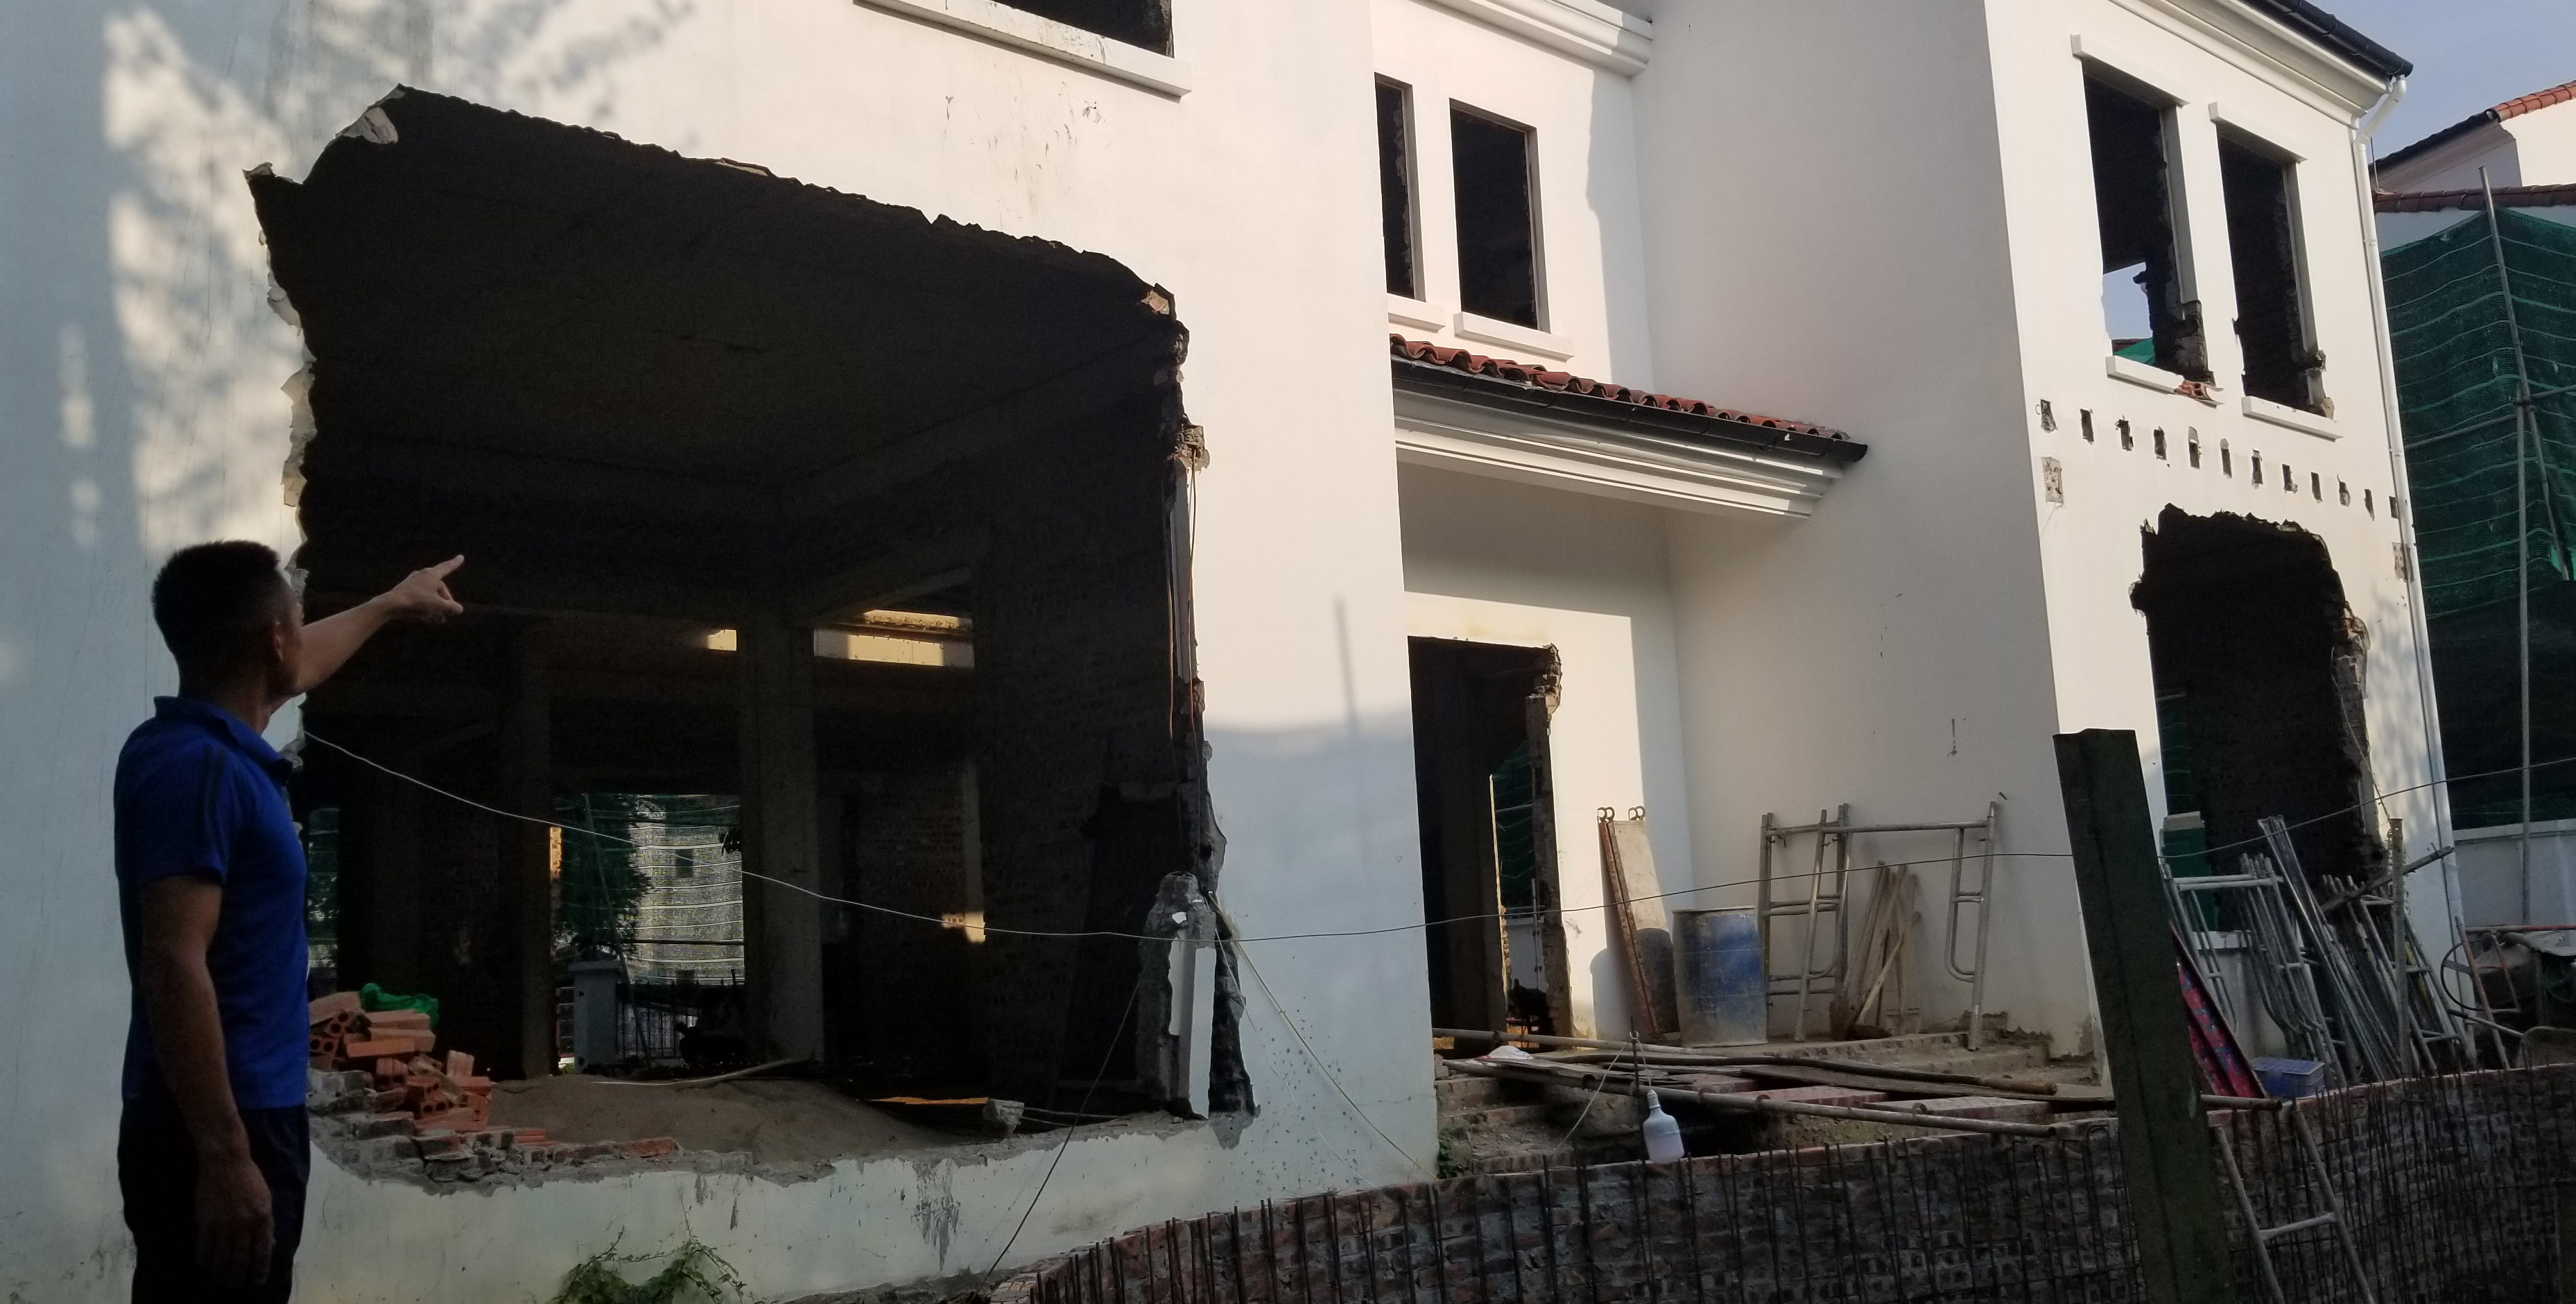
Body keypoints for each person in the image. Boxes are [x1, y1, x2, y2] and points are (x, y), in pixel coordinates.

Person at [116, 542, 463, 1301]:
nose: (305, 637)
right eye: (296, 620)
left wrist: (393, 601)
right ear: (274, 639)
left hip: (242, 1113)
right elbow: (174, 962)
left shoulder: (209, 747)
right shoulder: (198, 769)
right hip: (217, 1124)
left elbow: (299, 667)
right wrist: (225, 1154)